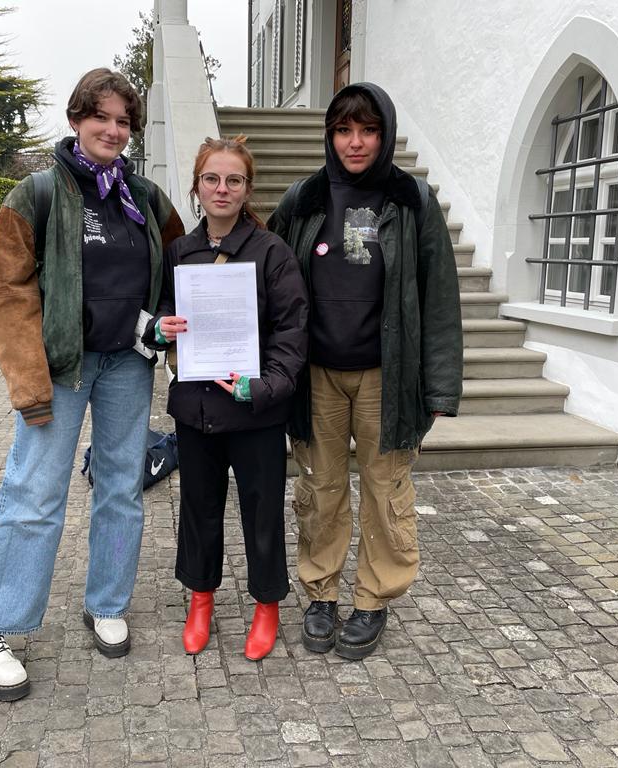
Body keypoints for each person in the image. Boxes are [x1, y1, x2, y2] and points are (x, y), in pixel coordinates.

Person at [0, 68, 184, 701]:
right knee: (34, 494)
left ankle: (106, 603)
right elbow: (6, 297)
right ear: (77, 120)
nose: (113, 130)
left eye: (124, 121)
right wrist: (28, 385)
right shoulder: (34, 195)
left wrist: (165, 326)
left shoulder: (144, 197)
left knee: (122, 488)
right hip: (61, 369)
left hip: (127, 366)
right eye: (102, 118)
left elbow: (178, 267)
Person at [267, 83, 462, 660]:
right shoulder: (302, 198)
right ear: (330, 134)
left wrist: (440, 384)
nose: (356, 142)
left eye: (368, 130)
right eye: (344, 130)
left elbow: (440, 298)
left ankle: (372, 599)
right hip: (317, 375)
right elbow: (266, 274)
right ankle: (321, 594)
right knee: (321, 489)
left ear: (385, 135)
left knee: (385, 491)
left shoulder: (412, 200)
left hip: (387, 376)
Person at [145, 137, 307, 661]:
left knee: (262, 511)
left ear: (247, 190)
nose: (222, 189)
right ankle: (201, 598)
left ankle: (266, 606)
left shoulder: (271, 252)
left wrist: (263, 386)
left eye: (233, 180)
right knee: (198, 507)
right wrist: (165, 328)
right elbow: (165, 311)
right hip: (197, 409)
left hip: (255, 409)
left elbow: (292, 330)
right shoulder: (180, 252)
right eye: (212, 179)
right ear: (196, 188)